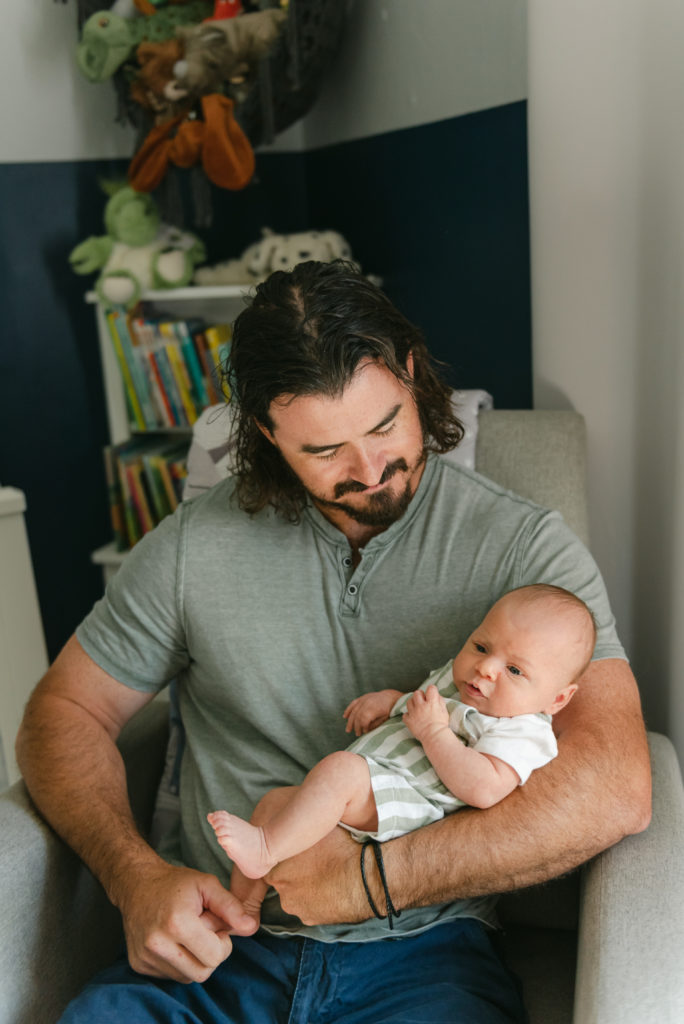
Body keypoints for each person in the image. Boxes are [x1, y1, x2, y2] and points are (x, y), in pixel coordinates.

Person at [15, 261, 651, 1023]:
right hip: (224, 946)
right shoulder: (194, 547)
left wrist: (369, 881)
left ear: (412, 379)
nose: (370, 468)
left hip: (425, 951)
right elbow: (66, 710)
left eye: (384, 425)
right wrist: (134, 876)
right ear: (266, 435)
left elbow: (616, 783)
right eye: (323, 451)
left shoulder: (525, 555)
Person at [208, 584, 593, 918]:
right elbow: (422, 703)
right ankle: (243, 907)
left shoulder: (522, 730)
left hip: (412, 804)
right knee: (274, 804)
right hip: (377, 779)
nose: (486, 668)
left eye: (515, 670)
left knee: (340, 770)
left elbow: (484, 788)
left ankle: (264, 850)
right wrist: (393, 701)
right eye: (480, 646)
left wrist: (433, 733)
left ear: (558, 698)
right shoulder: (464, 682)